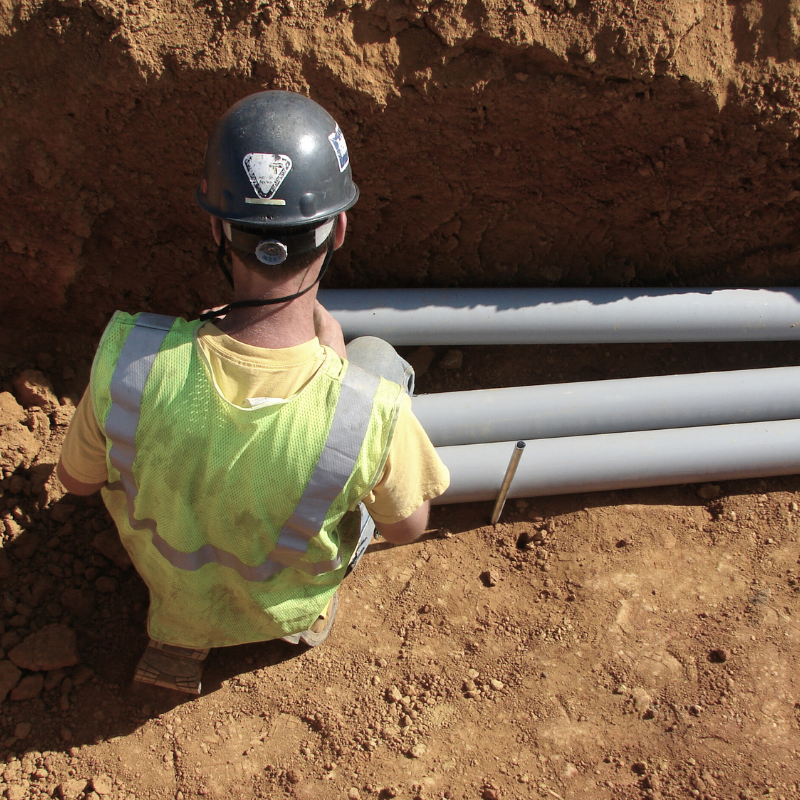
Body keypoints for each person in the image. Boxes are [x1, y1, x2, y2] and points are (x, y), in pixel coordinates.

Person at [57, 91, 450, 695]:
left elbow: (76, 483)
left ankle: (181, 635)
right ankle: (301, 616)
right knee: (381, 362)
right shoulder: (367, 411)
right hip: (283, 607)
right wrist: (342, 379)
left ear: (218, 226)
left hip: (174, 596)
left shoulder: (129, 360)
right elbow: (408, 528)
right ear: (339, 228)